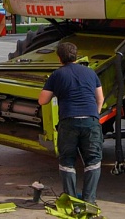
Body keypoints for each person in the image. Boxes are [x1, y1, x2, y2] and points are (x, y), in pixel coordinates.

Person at [38, 42, 104, 204]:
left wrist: (57, 91)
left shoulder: (57, 75)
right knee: (93, 160)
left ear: (59, 58)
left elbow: (42, 100)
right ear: (77, 56)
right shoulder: (90, 73)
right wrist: (94, 115)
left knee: (67, 160)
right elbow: (100, 98)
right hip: (90, 120)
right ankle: (89, 201)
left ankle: (71, 200)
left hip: (68, 122)